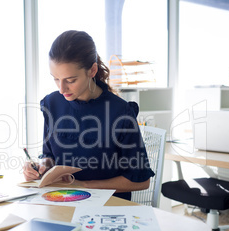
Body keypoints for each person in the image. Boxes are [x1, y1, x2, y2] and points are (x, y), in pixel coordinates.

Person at [23, 30, 154, 200]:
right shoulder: (52, 104)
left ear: (92, 70)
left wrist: (85, 186)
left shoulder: (120, 112)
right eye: (56, 79)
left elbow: (141, 181)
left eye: (70, 80)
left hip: (107, 210)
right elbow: (50, 157)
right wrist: (40, 167)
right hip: (63, 202)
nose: (61, 89)